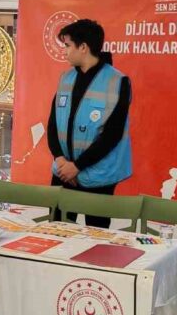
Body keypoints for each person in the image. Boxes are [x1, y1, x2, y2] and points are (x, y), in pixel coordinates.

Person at [47, 19, 132, 228]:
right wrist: (61, 161)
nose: (64, 51)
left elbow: (113, 134)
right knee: (56, 234)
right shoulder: (65, 78)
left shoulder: (117, 81)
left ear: (83, 47)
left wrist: (77, 166)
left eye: (67, 46)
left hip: (98, 176)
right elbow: (52, 124)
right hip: (63, 172)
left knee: (97, 239)